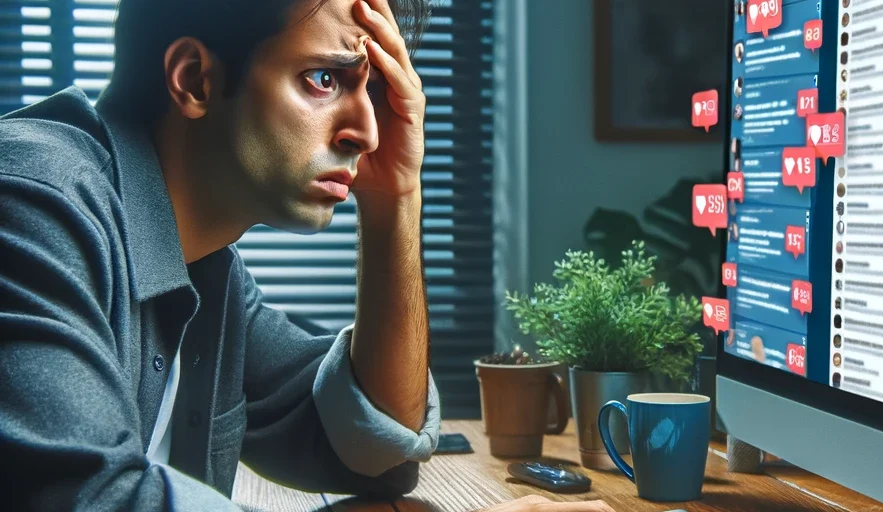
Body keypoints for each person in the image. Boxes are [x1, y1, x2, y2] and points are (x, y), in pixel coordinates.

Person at [0, 1, 610, 511]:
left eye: (372, 89)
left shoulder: (208, 275)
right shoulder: (32, 203)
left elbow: (376, 453)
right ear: (194, 79)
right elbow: (85, 496)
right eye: (325, 78)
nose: (368, 132)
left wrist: (395, 197)